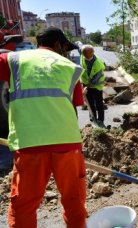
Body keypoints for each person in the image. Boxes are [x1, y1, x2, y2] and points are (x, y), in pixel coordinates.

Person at [0, 27, 87, 227]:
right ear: (57, 44)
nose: (66, 53)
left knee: (24, 205)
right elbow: (73, 111)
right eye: (65, 47)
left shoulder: (14, 60)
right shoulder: (70, 67)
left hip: (30, 143)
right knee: (74, 200)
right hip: (68, 143)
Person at [80, 44, 106, 128]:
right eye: (84, 54)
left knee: (99, 103)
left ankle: (100, 120)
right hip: (86, 84)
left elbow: (96, 77)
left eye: (88, 54)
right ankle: (93, 119)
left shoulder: (98, 63)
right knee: (90, 103)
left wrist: (87, 86)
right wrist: (82, 85)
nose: (86, 56)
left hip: (96, 85)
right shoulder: (82, 58)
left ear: (92, 52)